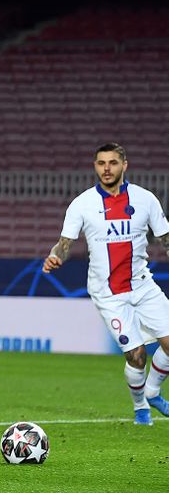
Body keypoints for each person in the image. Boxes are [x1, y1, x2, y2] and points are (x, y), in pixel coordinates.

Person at [43, 143, 169, 426]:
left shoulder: (146, 199)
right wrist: (54, 257)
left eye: (112, 162)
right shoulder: (83, 204)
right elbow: (65, 244)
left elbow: (166, 238)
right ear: (95, 166)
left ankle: (152, 392)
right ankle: (141, 408)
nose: (106, 168)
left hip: (142, 284)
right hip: (108, 293)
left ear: (125, 164)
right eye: (101, 163)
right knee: (137, 356)